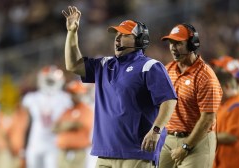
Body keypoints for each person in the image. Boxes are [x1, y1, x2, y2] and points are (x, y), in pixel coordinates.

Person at [62, 6, 177, 168]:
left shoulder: (150, 66)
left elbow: (169, 101)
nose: (117, 38)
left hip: (136, 152)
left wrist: (156, 131)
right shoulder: (104, 64)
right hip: (105, 152)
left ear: (140, 40)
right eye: (117, 34)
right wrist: (72, 33)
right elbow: (73, 65)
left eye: (124, 35)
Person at [159, 23, 223, 168]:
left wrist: (186, 147)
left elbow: (207, 119)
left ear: (192, 45)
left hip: (198, 141)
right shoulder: (167, 70)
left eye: (178, 43)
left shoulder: (206, 76)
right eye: (171, 43)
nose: (173, 48)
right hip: (169, 138)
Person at [21, 65, 72, 168]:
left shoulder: (66, 98)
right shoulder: (31, 98)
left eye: (52, 80)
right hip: (35, 142)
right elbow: (24, 124)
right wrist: (23, 145)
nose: (50, 82)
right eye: (48, 79)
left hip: (54, 143)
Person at [213, 70, 239, 168]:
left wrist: (203, 137)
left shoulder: (238, 106)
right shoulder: (224, 104)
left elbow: (231, 137)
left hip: (234, 163)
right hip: (222, 161)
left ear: (226, 87)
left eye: (215, 89)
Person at [53, 80, 94, 168]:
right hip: (63, 151)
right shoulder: (67, 110)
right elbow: (54, 128)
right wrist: (68, 125)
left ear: (81, 93)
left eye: (74, 93)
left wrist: (65, 125)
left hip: (78, 152)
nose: (72, 96)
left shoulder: (86, 109)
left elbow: (79, 124)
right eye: (71, 93)